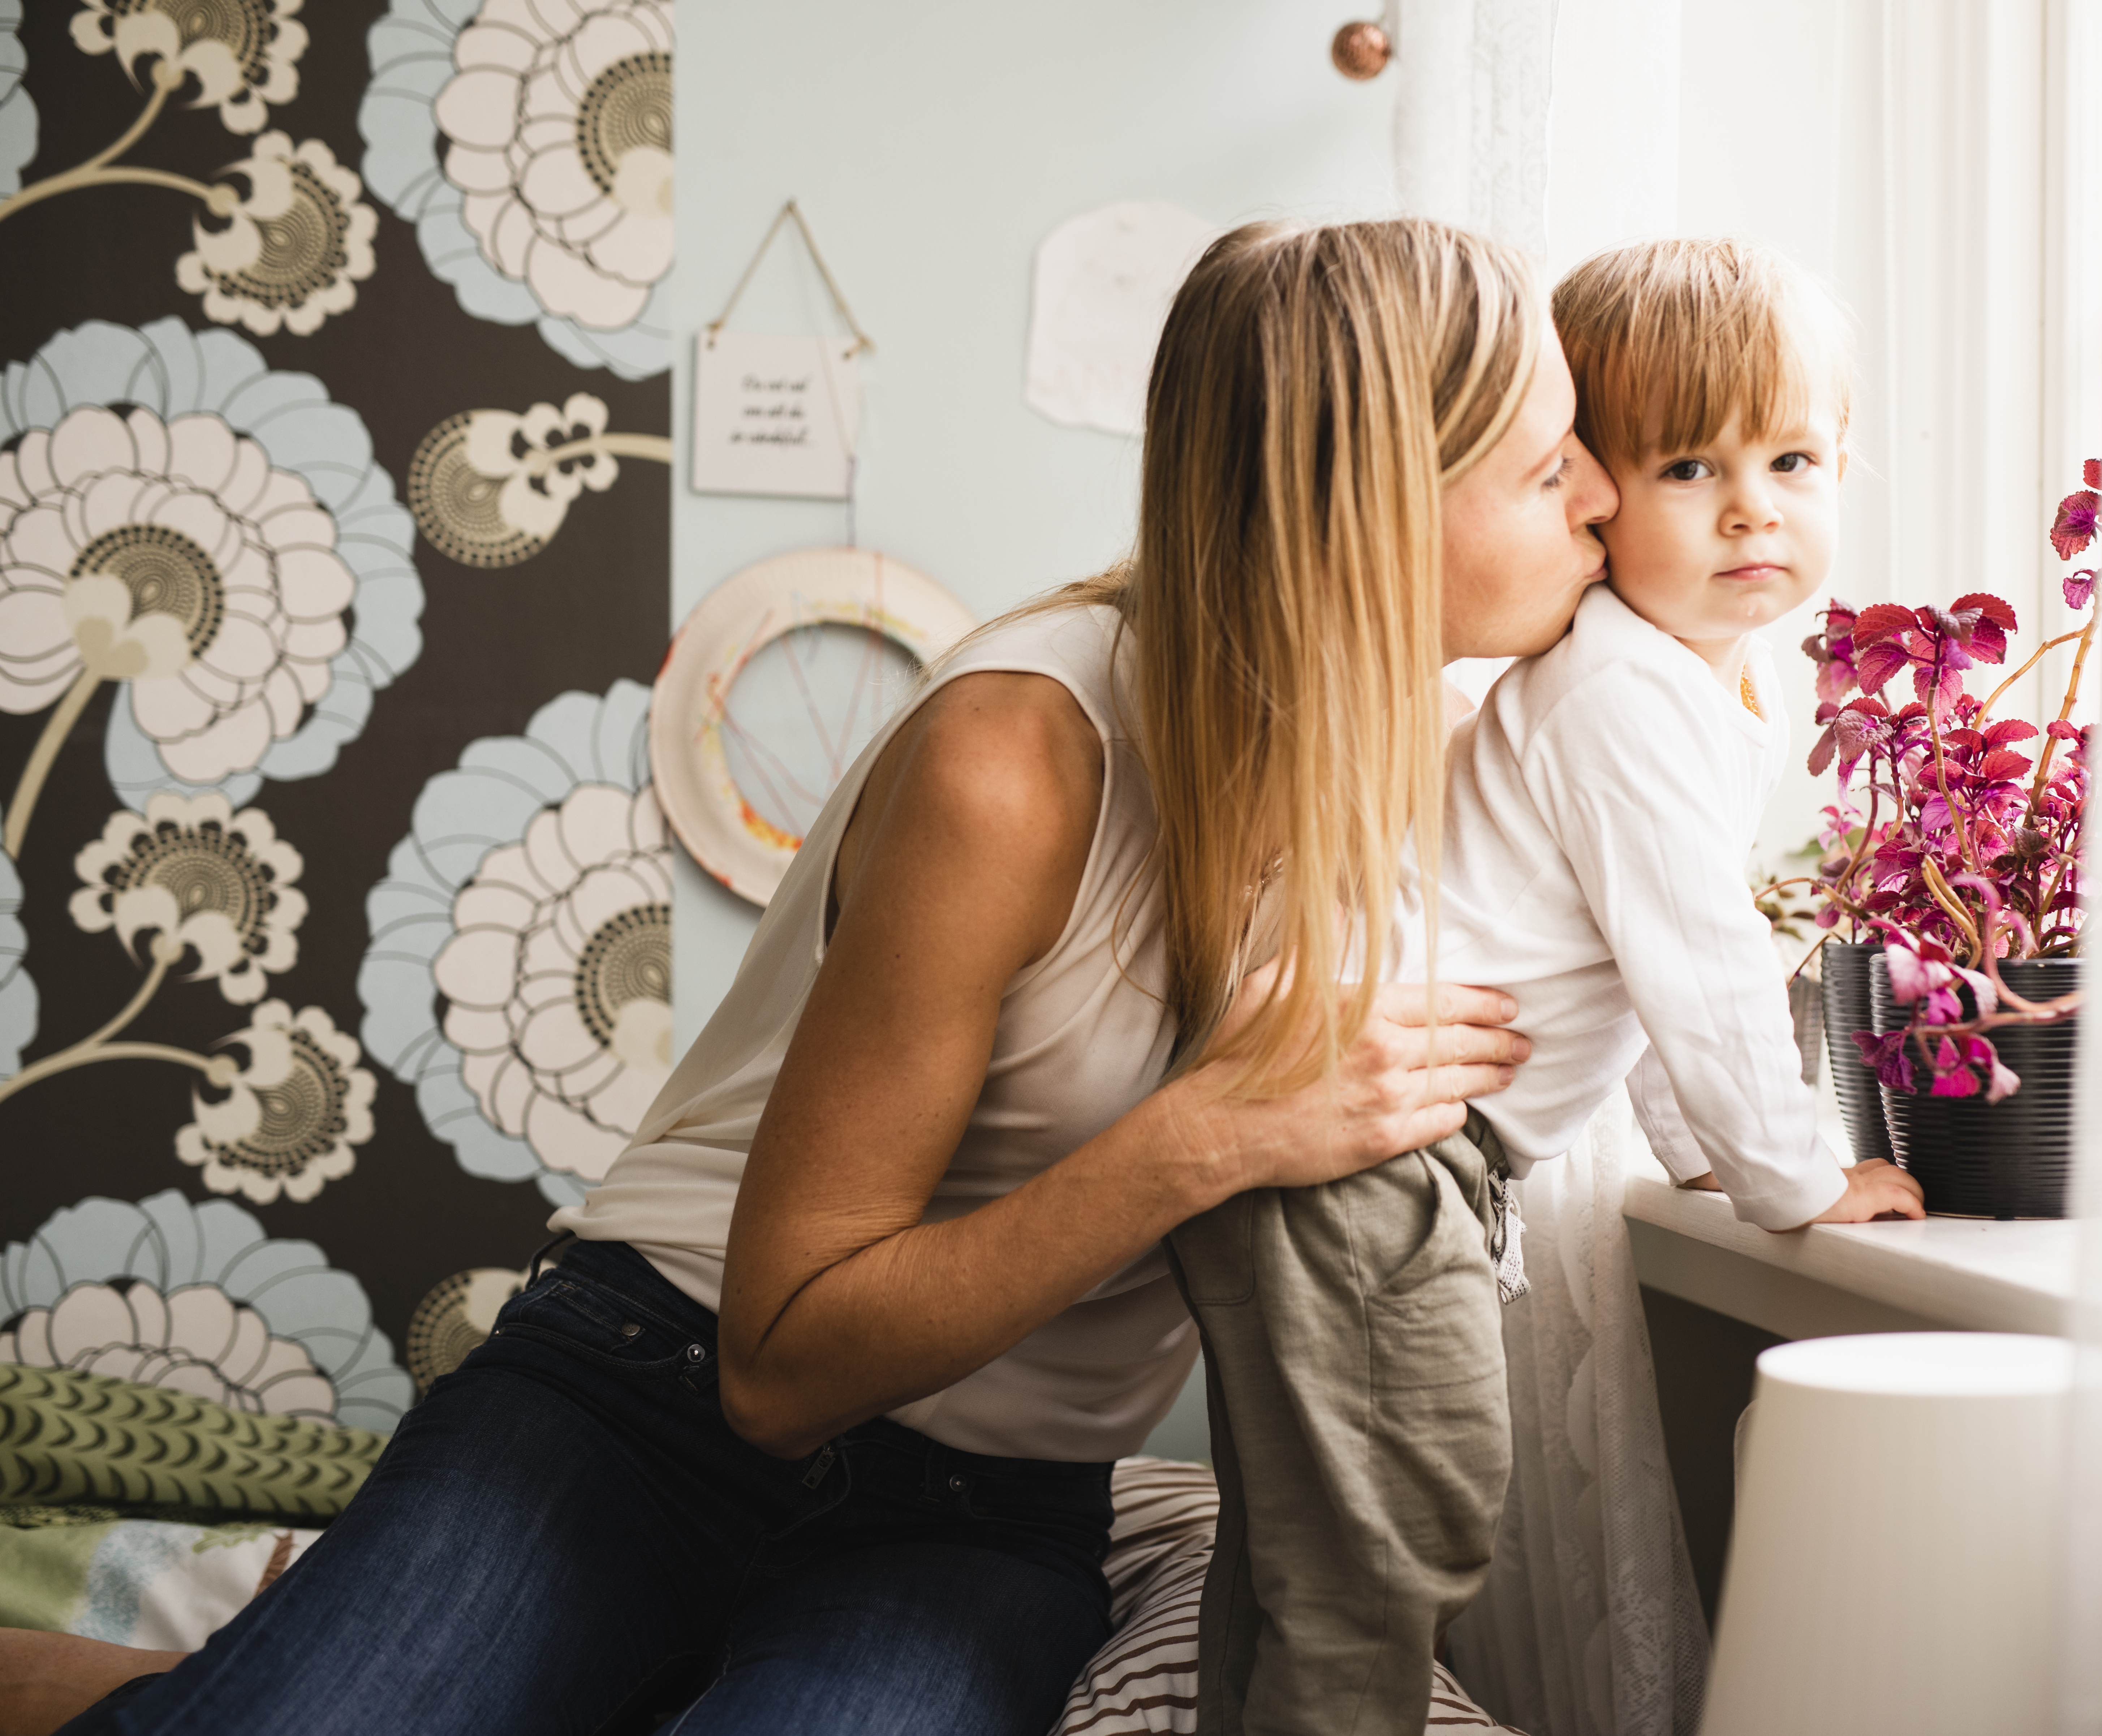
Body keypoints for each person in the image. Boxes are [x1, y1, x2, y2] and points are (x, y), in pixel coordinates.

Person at [14, 216, 1606, 1736]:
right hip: (654, 1400)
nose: (1605, 495)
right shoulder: (1024, 756)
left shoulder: (1458, 764)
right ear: (1378, 506)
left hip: (981, 1515)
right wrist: (1210, 1134)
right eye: (1551, 467)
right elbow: (777, 1366)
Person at [1168, 236, 1925, 1736]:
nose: (1752, 507)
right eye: (1688, 468)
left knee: (1311, 1557)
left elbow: (1640, 965)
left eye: (1790, 459)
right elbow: (1699, 960)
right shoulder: (1624, 692)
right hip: (1371, 1161)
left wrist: (1704, 1153)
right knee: (1399, 1537)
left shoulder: (1717, 679)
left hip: (1382, 1156)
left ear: (1846, 463)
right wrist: (1787, 1177)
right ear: (1594, 490)